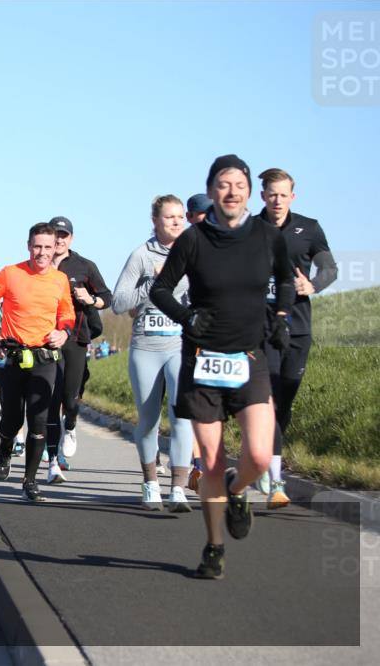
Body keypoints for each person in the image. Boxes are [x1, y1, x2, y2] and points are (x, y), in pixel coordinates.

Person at [151, 154, 294, 579]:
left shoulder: (268, 237)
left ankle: (237, 490)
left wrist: (282, 317)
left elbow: (285, 279)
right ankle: (214, 547)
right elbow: (160, 290)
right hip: (202, 358)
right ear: (212, 190)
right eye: (223, 185)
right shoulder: (193, 240)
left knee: (258, 455)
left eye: (239, 185)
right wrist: (186, 317)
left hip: (249, 359)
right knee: (210, 459)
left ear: (248, 191)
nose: (231, 192)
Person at [255, 168, 337, 509]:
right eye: (271, 194)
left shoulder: (309, 228)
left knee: (284, 401)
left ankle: (263, 451)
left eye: (283, 194)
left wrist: (313, 285)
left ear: (293, 196)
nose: (277, 200)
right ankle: (275, 480)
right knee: (270, 399)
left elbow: (330, 268)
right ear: (262, 196)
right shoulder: (249, 229)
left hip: (299, 327)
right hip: (261, 328)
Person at [0, 223, 75, 502]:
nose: (41, 252)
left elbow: (67, 313)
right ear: (28, 246)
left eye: (47, 247)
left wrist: (63, 331)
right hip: (14, 357)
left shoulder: (60, 280)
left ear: (56, 247)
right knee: (11, 420)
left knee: (39, 421)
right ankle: (5, 447)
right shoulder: (11, 273)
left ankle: (30, 481)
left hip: (44, 358)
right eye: (36, 246)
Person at [112, 195, 194, 512]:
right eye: (169, 217)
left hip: (180, 345)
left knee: (181, 415)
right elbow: (119, 303)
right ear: (155, 221)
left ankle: (178, 489)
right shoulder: (141, 256)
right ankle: (149, 482)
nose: (176, 222)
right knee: (148, 420)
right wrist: (153, 284)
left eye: (180, 217)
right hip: (146, 345)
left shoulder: (193, 252)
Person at [44, 216, 112, 482]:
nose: (59, 240)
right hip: (46, 339)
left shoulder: (85, 266)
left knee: (70, 398)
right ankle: (52, 462)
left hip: (76, 338)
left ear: (71, 239)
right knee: (50, 398)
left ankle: (70, 426)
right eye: (55, 234)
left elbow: (107, 297)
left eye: (64, 235)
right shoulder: (40, 264)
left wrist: (91, 299)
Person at [184, 193, 215, 490]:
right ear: (190, 217)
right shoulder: (185, 247)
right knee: (198, 403)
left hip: (226, 336)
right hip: (191, 337)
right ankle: (197, 465)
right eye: (202, 214)